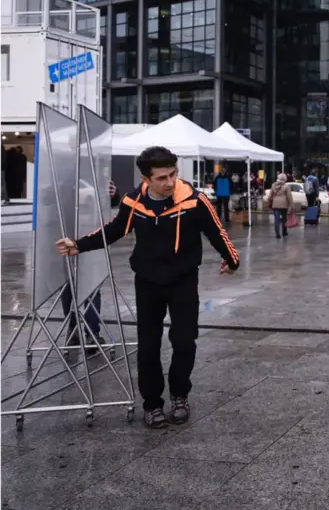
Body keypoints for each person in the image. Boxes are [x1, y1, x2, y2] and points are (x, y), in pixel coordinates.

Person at [56, 146, 240, 430]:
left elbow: (217, 232)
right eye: (162, 177)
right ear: (146, 179)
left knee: (183, 340)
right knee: (148, 346)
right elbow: (115, 230)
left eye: (173, 174)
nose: (170, 182)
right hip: (148, 282)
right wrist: (78, 244)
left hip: (183, 281)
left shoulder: (194, 200)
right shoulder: (134, 202)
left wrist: (232, 260)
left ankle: (179, 396)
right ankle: (152, 405)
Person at [60, 179, 121, 353]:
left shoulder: (97, 172)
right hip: (66, 237)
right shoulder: (63, 175)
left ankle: (92, 332)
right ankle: (73, 329)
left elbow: (112, 204)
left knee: (92, 286)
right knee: (68, 287)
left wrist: (113, 194)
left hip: (91, 238)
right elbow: (49, 199)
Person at [267, 173, 292, 238]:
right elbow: (289, 197)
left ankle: (277, 234)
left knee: (276, 219)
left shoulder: (273, 185)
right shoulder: (286, 186)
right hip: (284, 205)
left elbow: (270, 195)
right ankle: (284, 232)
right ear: (284, 179)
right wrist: (291, 205)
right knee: (284, 219)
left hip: (275, 204)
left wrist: (269, 201)